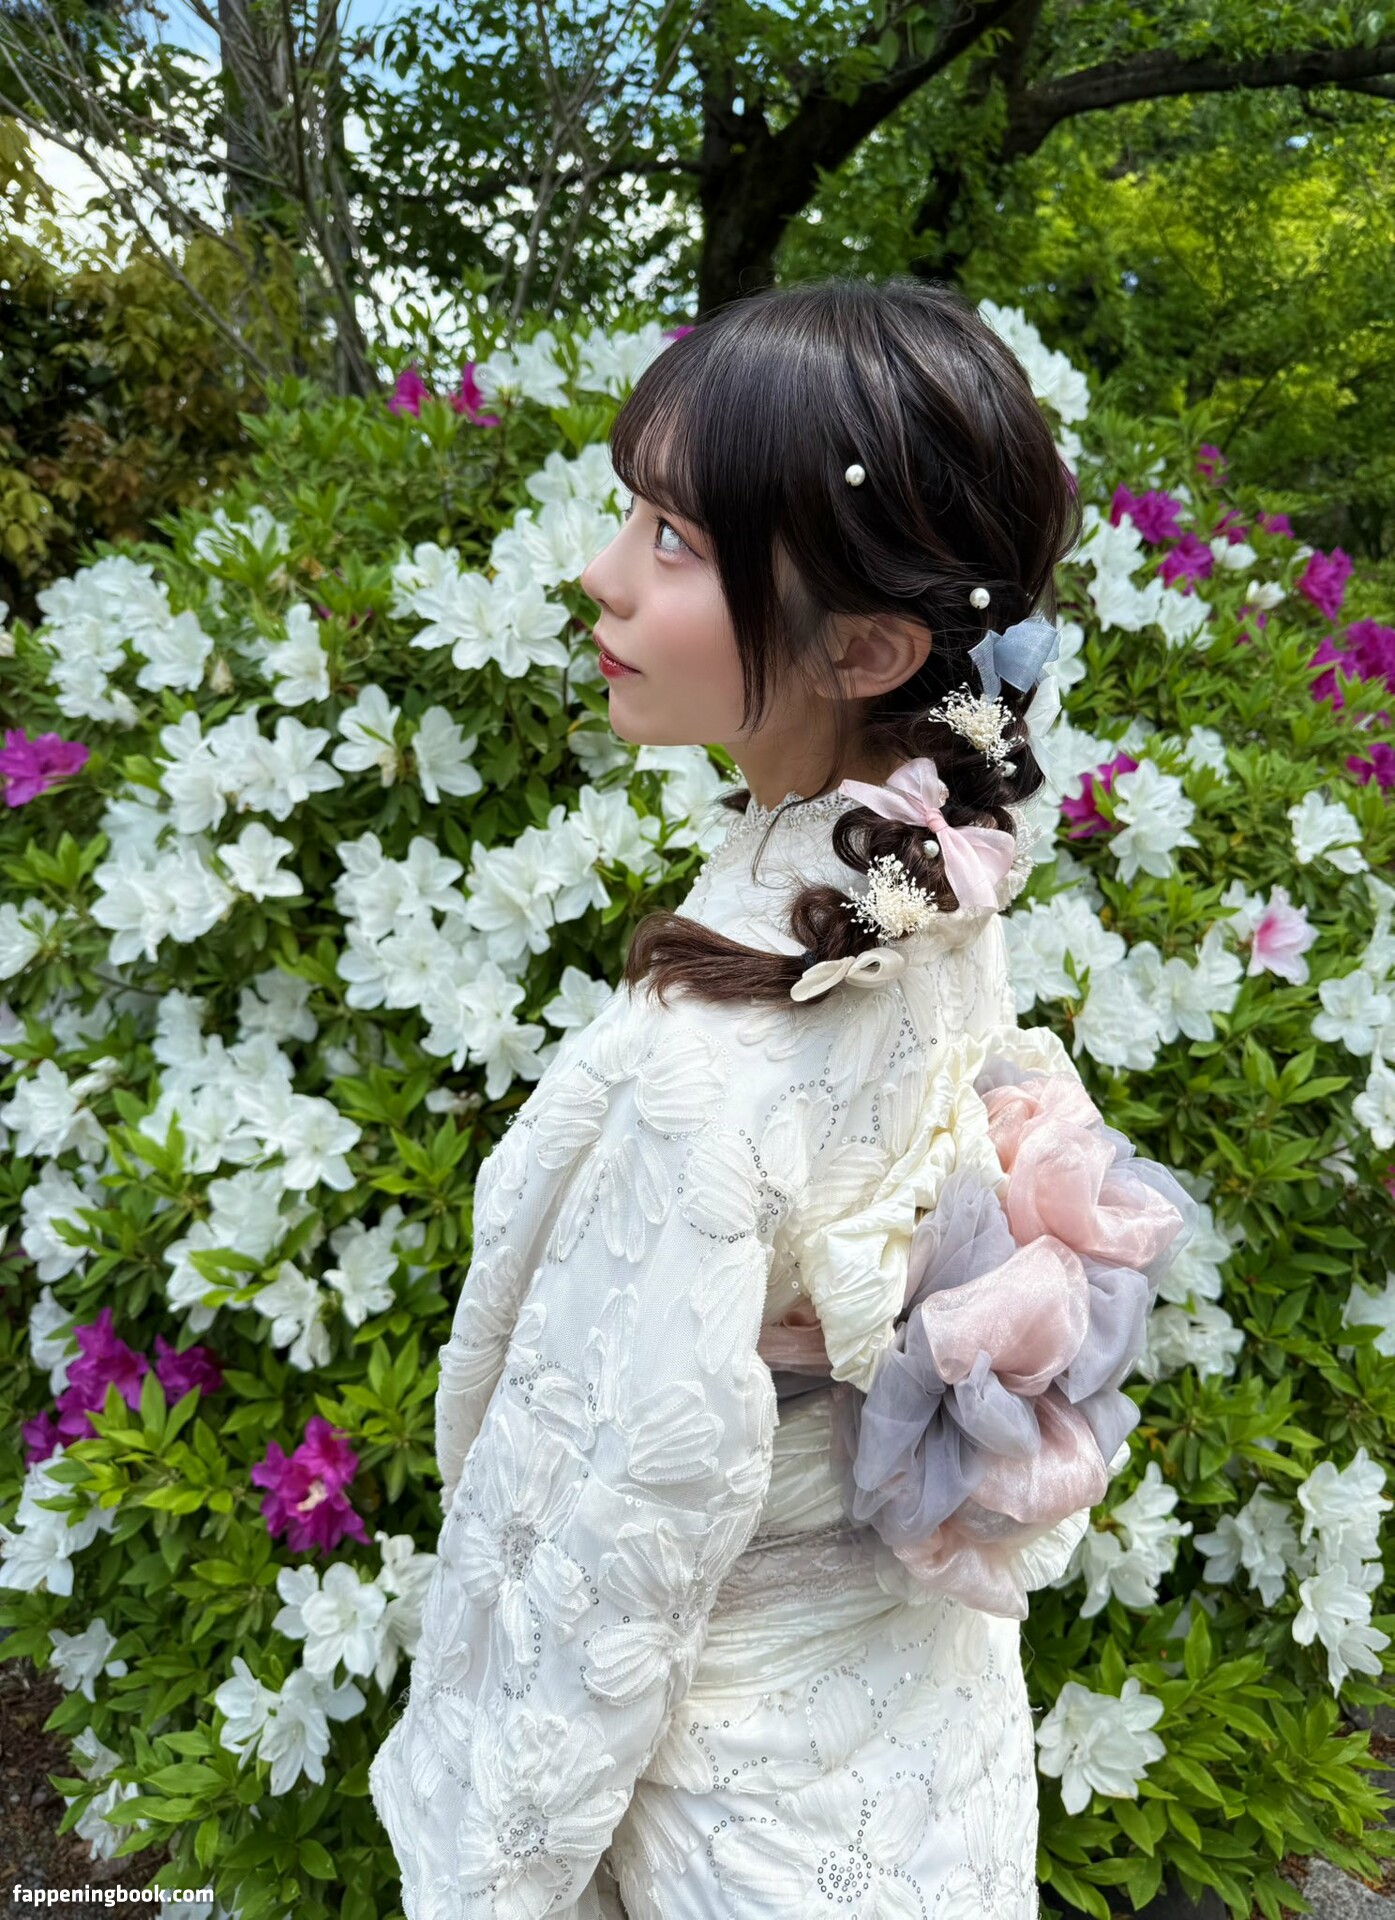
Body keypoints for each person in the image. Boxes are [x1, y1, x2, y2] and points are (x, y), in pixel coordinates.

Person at [367, 275, 1196, 1919]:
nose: (601, 574)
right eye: (633, 516)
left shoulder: (711, 1061)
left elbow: (600, 1538)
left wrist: (486, 1876)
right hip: (925, 1737)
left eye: (673, 539)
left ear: (866, 648)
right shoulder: (939, 889)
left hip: (739, 1810)